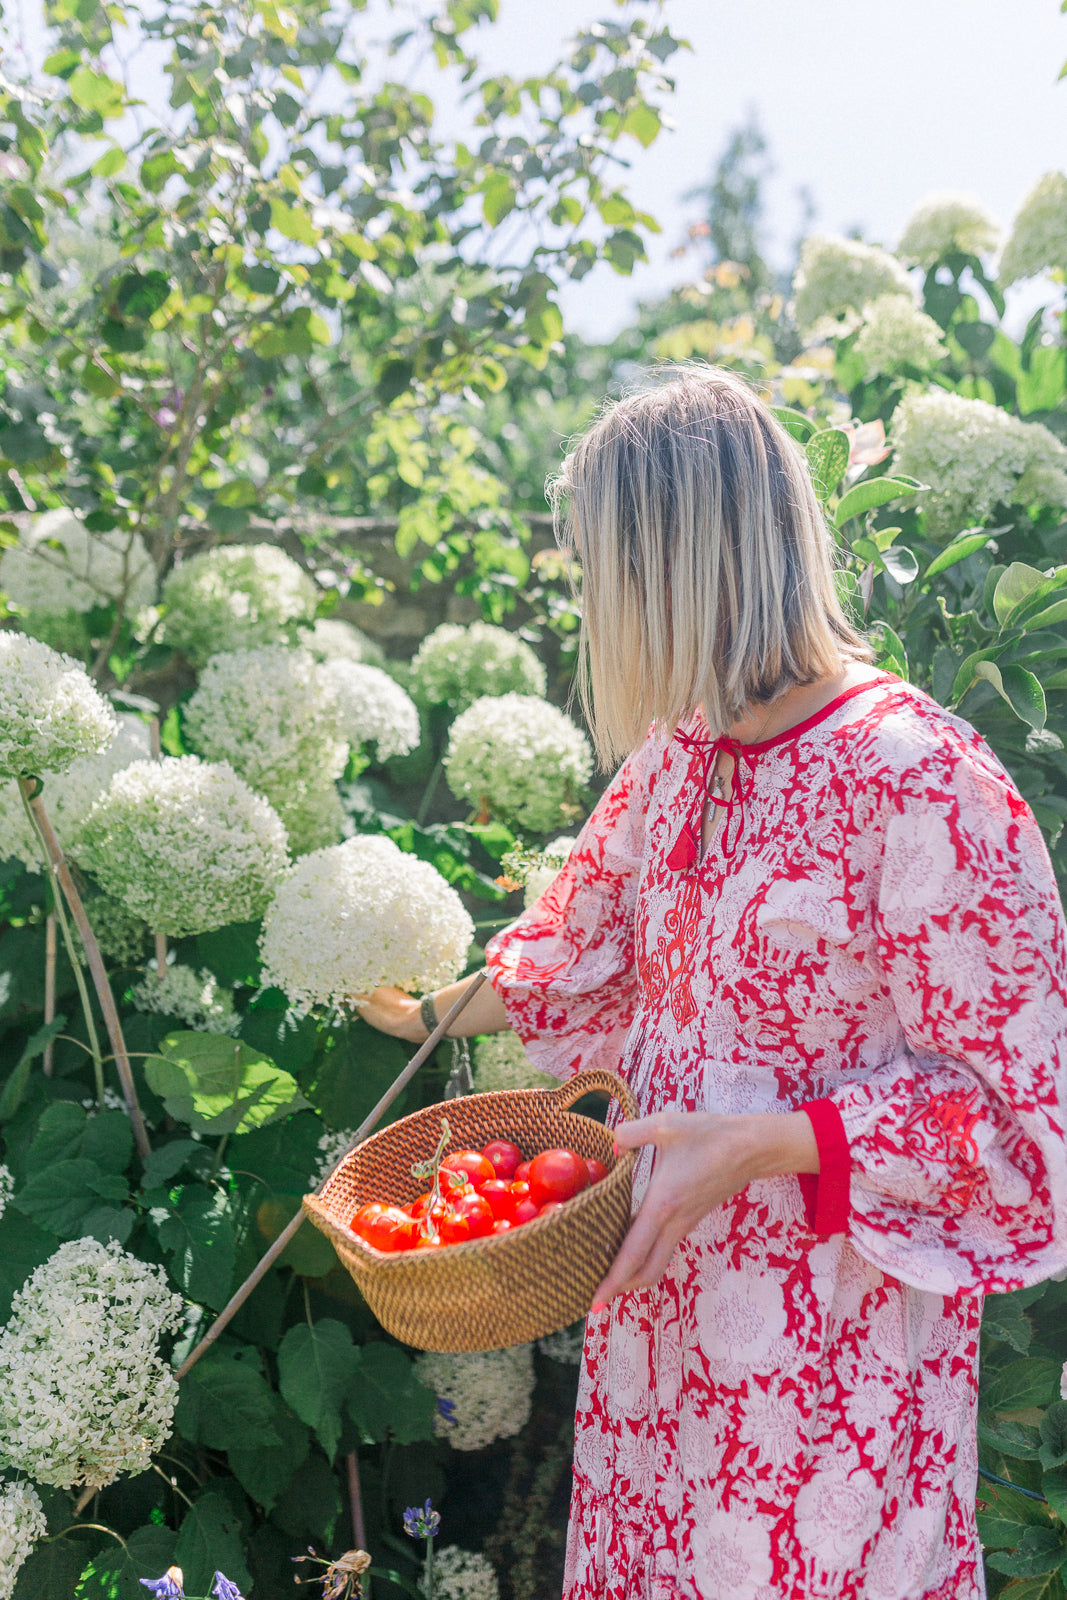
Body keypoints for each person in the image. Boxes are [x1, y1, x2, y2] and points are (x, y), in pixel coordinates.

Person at [355, 366, 1067, 1600]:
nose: (589, 608)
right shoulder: (682, 759)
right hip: (657, 1344)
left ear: (675, 563)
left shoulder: (918, 781)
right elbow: (575, 952)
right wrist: (413, 1010)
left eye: (598, 573)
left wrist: (760, 1142)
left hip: (823, 1383)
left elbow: (1019, 1126)